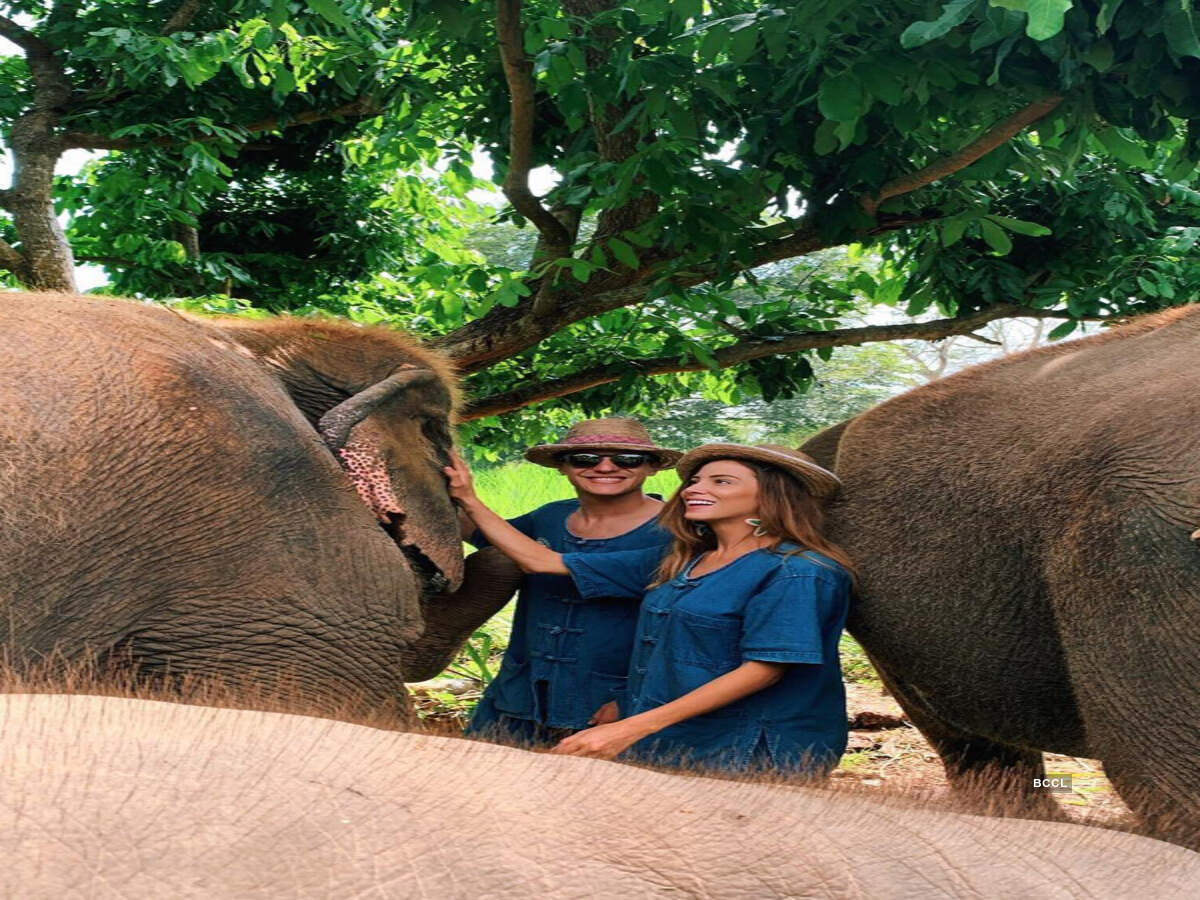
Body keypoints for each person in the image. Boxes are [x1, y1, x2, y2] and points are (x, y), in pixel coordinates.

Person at [445, 443, 855, 776]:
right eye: (694, 480)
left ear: (772, 495)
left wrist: (634, 726)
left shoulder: (800, 572)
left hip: (748, 747)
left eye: (721, 481)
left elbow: (765, 669)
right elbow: (661, 639)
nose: (694, 489)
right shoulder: (683, 559)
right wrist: (628, 700)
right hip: (674, 740)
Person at [460, 418, 680, 747]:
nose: (605, 467)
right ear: (563, 467)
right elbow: (481, 534)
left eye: (627, 459)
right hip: (519, 694)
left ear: (652, 468)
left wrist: (629, 697)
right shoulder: (549, 516)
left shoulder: (679, 534)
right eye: (585, 459)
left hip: (608, 705)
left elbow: (539, 561)